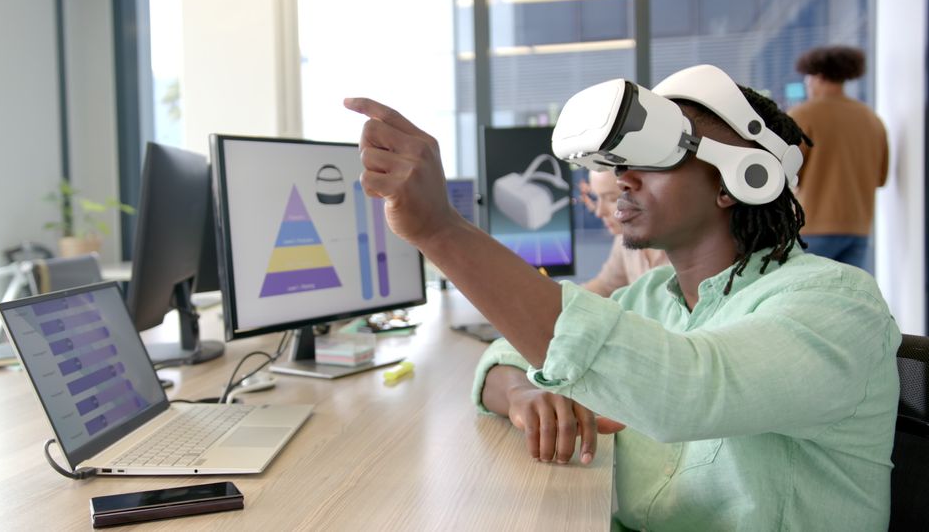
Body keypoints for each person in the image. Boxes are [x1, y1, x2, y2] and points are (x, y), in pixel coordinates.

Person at [344, 64, 899, 530]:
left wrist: (441, 231)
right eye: (620, 160)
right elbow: (505, 353)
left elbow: (687, 390)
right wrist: (522, 394)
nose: (623, 178)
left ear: (739, 177)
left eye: (656, 157)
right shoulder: (651, 295)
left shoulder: (836, 303)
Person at [788, 45, 889, 271]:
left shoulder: (804, 115)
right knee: (848, 292)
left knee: (808, 290)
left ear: (818, 76)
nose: (807, 83)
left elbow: (787, 171)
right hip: (858, 227)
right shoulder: (872, 119)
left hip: (813, 226)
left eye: (808, 77)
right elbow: (881, 178)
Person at [578, 170, 669, 297]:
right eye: (596, 198)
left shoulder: (681, 247)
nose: (599, 212)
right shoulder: (624, 236)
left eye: (611, 199)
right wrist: (560, 297)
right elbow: (605, 285)